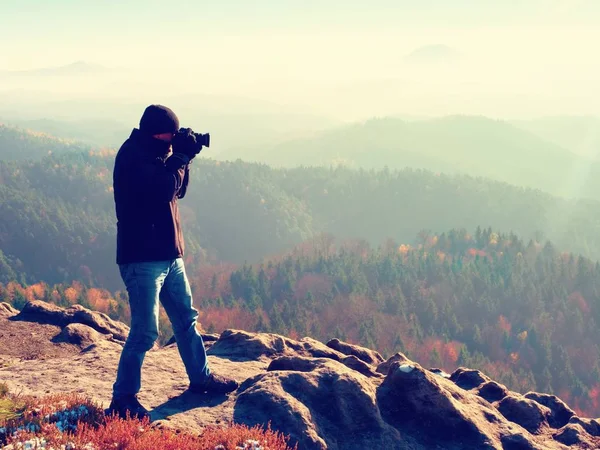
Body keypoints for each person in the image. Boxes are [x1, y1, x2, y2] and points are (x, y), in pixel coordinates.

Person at [107, 104, 238, 420]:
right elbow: (162, 188)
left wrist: (185, 158)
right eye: (170, 135)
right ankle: (123, 398)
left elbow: (178, 190)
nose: (173, 140)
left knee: (186, 318)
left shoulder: (156, 151)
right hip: (142, 259)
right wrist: (178, 157)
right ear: (156, 133)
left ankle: (201, 378)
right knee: (144, 332)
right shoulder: (132, 157)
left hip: (169, 254)